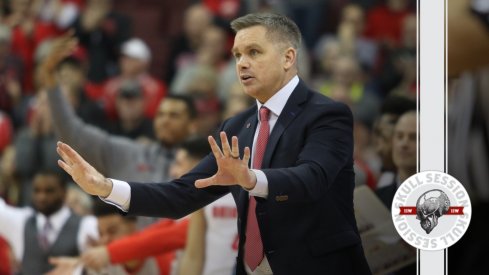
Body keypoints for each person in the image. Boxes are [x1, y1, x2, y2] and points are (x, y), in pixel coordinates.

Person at [56, 13, 371, 275]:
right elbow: (182, 195)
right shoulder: (237, 126)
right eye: (236, 55)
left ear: (288, 57)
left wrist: (251, 179)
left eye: (254, 52)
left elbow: (312, 178)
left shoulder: (328, 114)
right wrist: (106, 187)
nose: (242, 63)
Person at [0, 170, 98, 274]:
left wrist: (78, 269)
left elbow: (100, 264)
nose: (42, 197)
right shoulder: (21, 221)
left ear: (64, 192)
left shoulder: (86, 224)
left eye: (49, 191)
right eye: (37, 191)